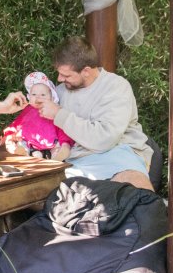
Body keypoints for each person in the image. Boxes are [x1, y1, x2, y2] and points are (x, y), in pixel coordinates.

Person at [37, 36, 154, 191]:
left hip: (118, 153)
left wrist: (59, 114)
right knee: (41, 188)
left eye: (66, 75)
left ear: (86, 71)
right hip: (74, 160)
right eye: (59, 73)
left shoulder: (116, 87)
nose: (59, 79)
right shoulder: (59, 92)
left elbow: (104, 140)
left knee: (132, 186)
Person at [2, 71, 74, 161]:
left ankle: (60, 153)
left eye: (43, 94)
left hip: (52, 145)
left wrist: (65, 143)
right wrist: (10, 133)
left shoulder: (53, 110)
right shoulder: (28, 110)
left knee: (60, 145)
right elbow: (17, 123)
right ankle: (23, 152)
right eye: (34, 94)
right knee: (19, 144)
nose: (38, 97)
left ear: (51, 97)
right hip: (30, 143)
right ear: (29, 96)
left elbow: (61, 128)